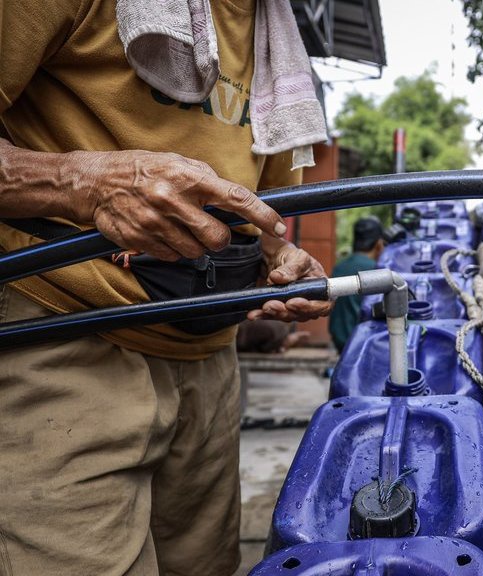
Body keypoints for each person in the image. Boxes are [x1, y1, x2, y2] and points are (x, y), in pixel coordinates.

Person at [0, 2, 331, 574]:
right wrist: (83, 182)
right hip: (64, 343)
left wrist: (281, 261)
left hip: (209, 367)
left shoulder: (274, 35)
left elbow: (260, 219)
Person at [329, 217, 386, 352]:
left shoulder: (339, 267)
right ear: (379, 244)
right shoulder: (377, 270)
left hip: (339, 342)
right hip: (361, 343)